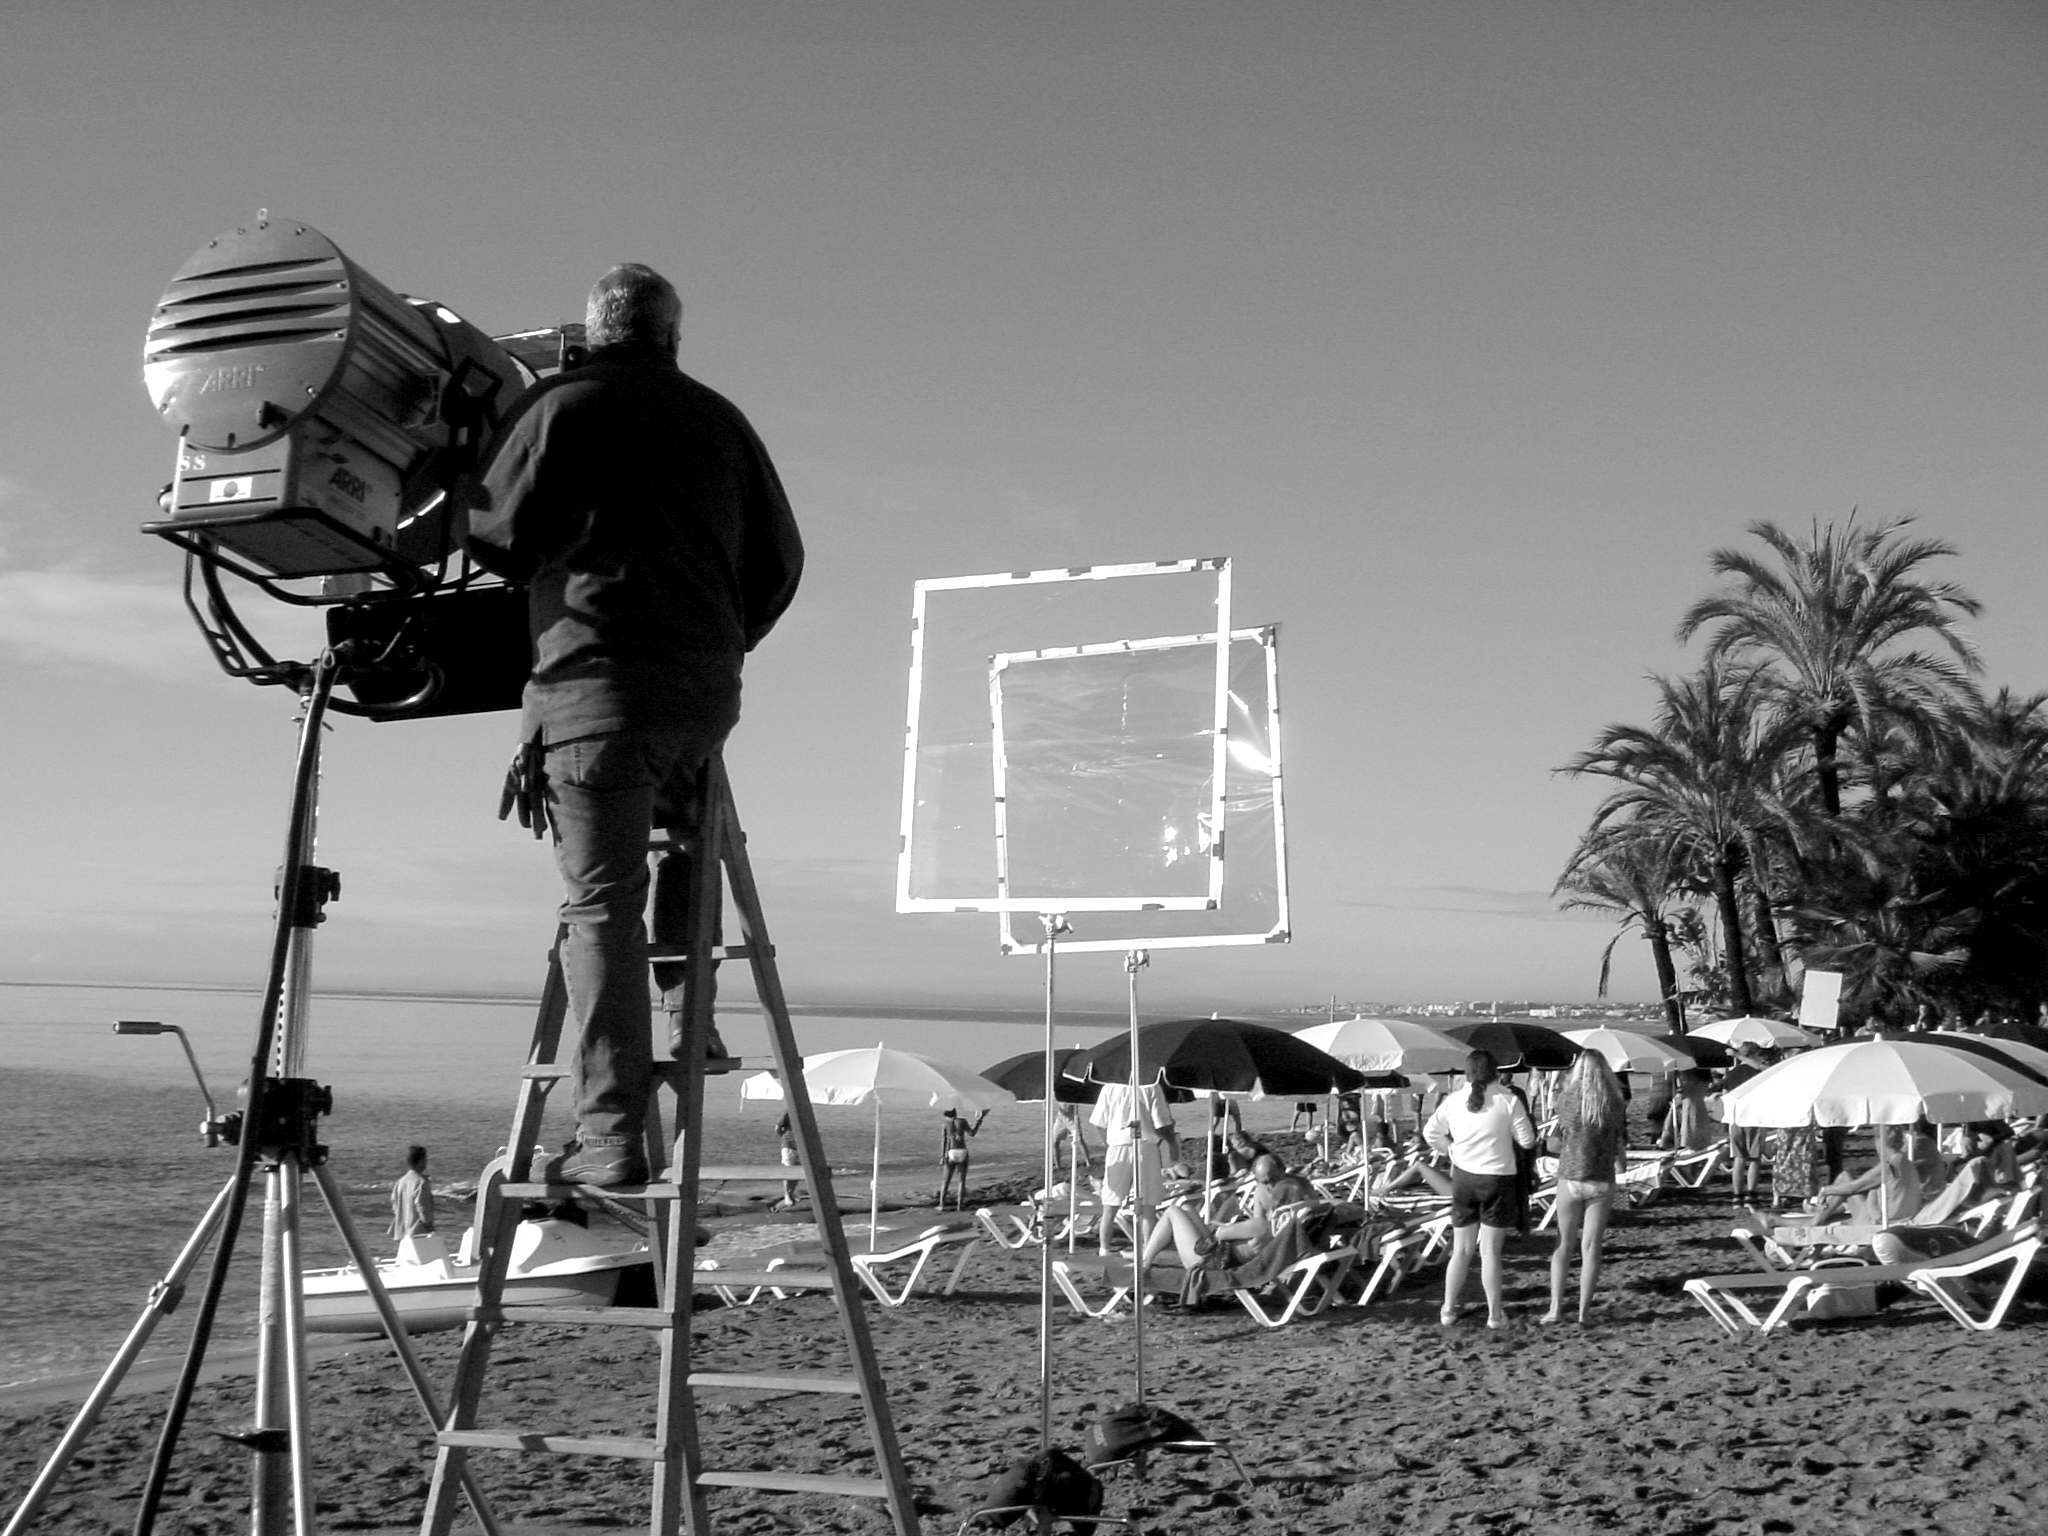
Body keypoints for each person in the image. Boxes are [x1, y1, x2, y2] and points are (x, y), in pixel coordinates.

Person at [468, 263, 804, 1189]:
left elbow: (489, 532)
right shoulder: (723, 422)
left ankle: (613, 1135)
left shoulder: (560, 406)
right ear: (672, 337)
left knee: (602, 903)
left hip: (594, 693)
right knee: (689, 838)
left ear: (591, 332)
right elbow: (781, 562)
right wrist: (721, 640)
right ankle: (691, 1018)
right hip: (701, 695)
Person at [1425, 1050, 1537, 1328]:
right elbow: (1527, 1141)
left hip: (1464, 1178)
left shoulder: (1453, 1101)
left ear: (1467, 1072)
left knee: (1461, 1249)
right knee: (1490, 1252)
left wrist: (1450, 1149)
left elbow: (1430, 1133)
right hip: (1497, 1179)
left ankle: (1448, 1309)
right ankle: (1494, 1314)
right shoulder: (1508, 1100)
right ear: (1495, 1072)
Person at [1542, 1052, 1626, 1325]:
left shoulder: (1566, 1099)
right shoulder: (1614, 1101)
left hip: (1571, 1175)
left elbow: (1556, 1141)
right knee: (1591, 1247)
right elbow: (1618, 1142)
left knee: (1563, 1244)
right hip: (1602, 1177)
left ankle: (1555, 1309)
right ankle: (1583, 1313)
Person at [1089, 1078, 1180, 1254]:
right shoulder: (1151, 1085)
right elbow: (1161, 1124)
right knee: (1148, 1206)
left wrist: (1109, 1142)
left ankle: (1104, 1249)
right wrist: (1172, 1143)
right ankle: (1147, 1250)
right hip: (1146, 1146)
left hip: (1118, 1145)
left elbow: (1099, 1123)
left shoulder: (1110, 1086)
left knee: (1110, 1204)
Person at [389, 1145, 436, 1262]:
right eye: (425, 1160)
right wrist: (430, 1227)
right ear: (420, 1161)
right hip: (418, 1234)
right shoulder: (421, 1182)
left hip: (402, 1233)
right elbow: (423, 1208)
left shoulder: (400, 1182)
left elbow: (394, 1206)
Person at [937, 1107, 989, 1210]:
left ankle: (942, 1205)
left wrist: (942, 1156)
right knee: (961, 1181)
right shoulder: (962, 1121)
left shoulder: (945, 1124)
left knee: (946, 1181)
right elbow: (972, 1133)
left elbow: (944, 1141)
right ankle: (960, 1206)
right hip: (962, 1151)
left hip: (951, 1151)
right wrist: (980, 1119)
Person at [773, 1112, 800, 1210]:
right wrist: (786, 1137)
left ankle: (791, 1193)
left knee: (797, 1172)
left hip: (800, 1146)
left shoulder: (805, 1112)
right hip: (789, 1146)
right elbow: (778, 1128)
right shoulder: (788, 1113)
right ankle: (787, 1196)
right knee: (788, 1171)